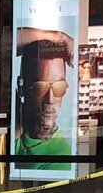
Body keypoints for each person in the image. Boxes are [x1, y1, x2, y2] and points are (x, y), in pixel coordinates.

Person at [12, 28, 77, 158]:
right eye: (40, 88)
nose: (50, 99)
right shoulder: (15, 117)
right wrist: (59, 37)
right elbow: (8, 42)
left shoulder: (59, 155)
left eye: (59, 87)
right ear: (22, 88)